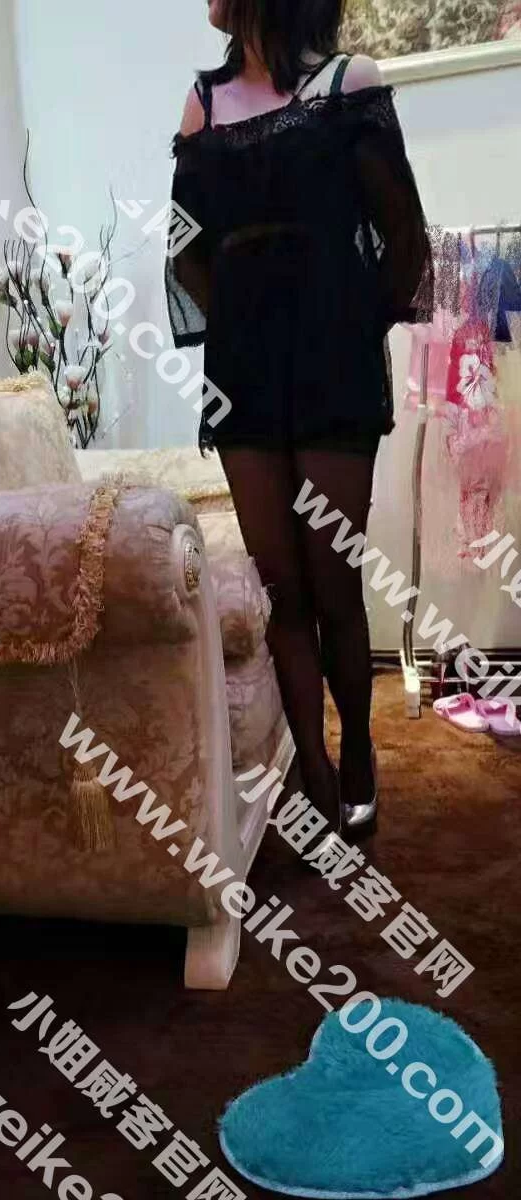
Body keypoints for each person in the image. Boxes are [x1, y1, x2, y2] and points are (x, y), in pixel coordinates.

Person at [166, 0, 433, 844]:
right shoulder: (203, 103)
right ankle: (311, 766)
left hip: (332, 370)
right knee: (281, 588)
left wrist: (346, 328)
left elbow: (402, 235)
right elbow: (184, 248)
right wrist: (246, 322)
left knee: (333, 582)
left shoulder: (350, 84)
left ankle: (357, 750)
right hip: (245, 378)